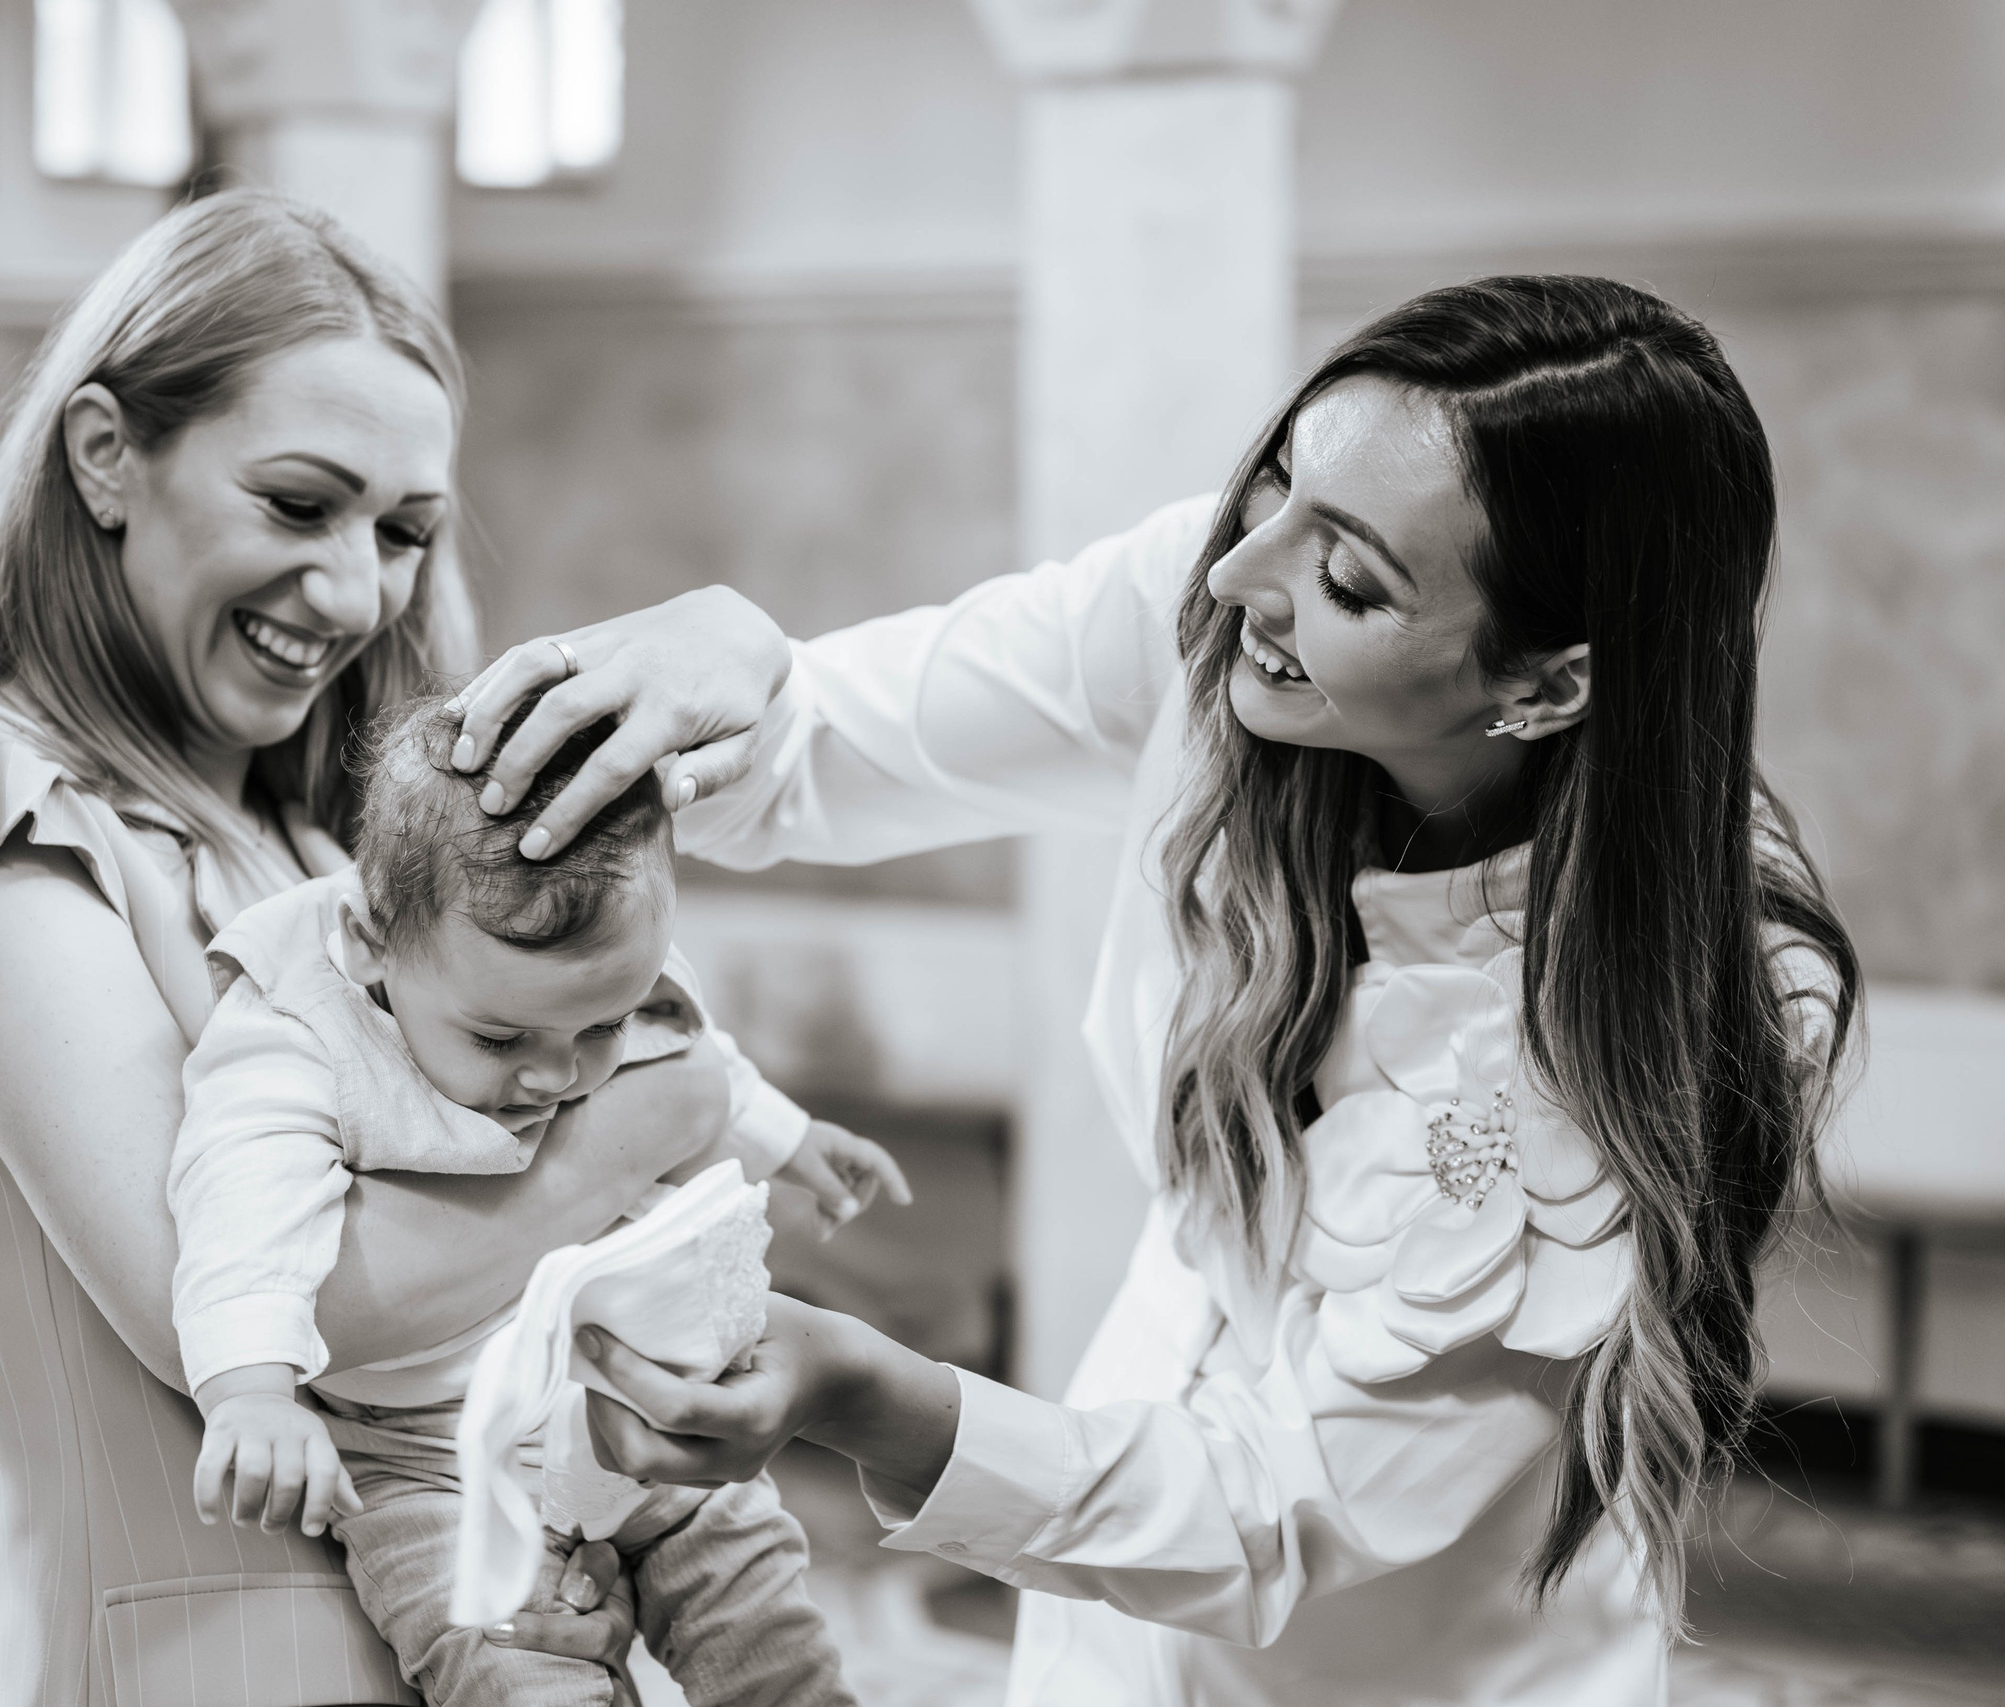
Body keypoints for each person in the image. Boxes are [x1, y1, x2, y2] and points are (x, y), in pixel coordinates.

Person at [448, 276, 1861, 1704]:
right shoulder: (1231, 610)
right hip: (1115, 1624)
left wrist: (869, 1393)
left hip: (1399, 1658)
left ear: (1545, 688)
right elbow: (828, 745)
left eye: (1352, 581)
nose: (1246, 572)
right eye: (1278, 482)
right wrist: (725, 655)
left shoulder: (1636, 1031)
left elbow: (1271, 1510)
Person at [0, 189, 754, 1707]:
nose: (358, 592)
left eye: (405, 533)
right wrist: (664, 1121)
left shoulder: (327, 851)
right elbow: (232, 1300)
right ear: (106, 454)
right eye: (300, 505)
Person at [169, 691, 903, 1704]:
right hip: (424, 1457)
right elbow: (237, 1206)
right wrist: (248, 1388)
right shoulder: (293, 1030)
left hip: (627, 1386)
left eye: (597, 1028)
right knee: (508, 1665)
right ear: (371, 939)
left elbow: (695, 1048)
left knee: (760, 1615)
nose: (560, 1078)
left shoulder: (597, 974)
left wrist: (786, 1134)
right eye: (501, 1041)